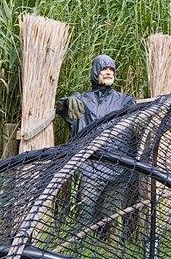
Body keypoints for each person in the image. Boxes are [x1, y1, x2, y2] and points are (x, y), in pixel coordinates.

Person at [56, 54, 137, 230]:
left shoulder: (124, 101)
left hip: (118, 166)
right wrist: (67, 102)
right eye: (104, 69)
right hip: (90, 167)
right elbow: (62, 108)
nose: (108, 72)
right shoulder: (83, 100)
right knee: (86, 211)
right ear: (95, 72)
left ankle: (110, 251)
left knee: (113, 216)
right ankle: (79, 249)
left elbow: (141, 113)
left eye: (111, 70)